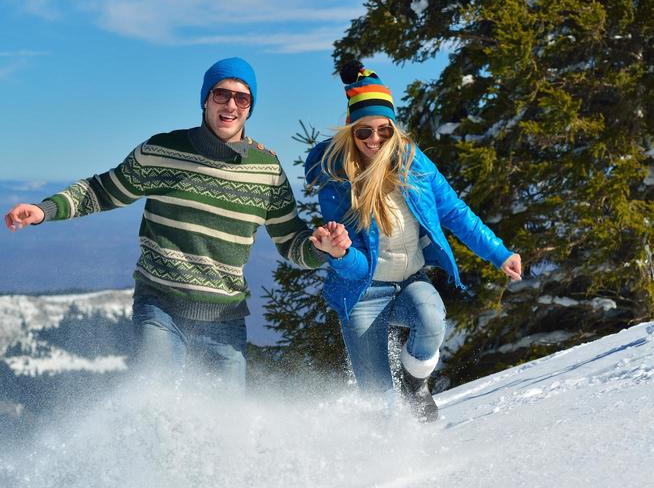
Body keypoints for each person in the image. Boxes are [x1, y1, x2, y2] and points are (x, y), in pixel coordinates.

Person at [4, 56, 349, 388]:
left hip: (225, 320)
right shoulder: (162, 151)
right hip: (161, 308)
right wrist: (44, 210)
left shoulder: (267, 169)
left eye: (242, 98)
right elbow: (101, 190)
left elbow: (292, 243)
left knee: (223, 425)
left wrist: (323, 249)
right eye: (221, 94)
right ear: (205, 100)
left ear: (250, 107)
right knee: (155, 407)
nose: (231, 105)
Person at [305, 60, 522, 422]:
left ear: (394, 129)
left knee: (431, 316)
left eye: (384, 131)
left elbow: (454, 211)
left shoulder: (414, 163)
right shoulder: (339, 181)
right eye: (364, 132)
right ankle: (390, 465)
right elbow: (357, 263)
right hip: (362, 292)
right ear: (350, 133)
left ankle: (415, 385)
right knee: (377, 401)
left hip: (409, 281)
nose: (375, 140)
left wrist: (498, 252)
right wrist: (340, 253)